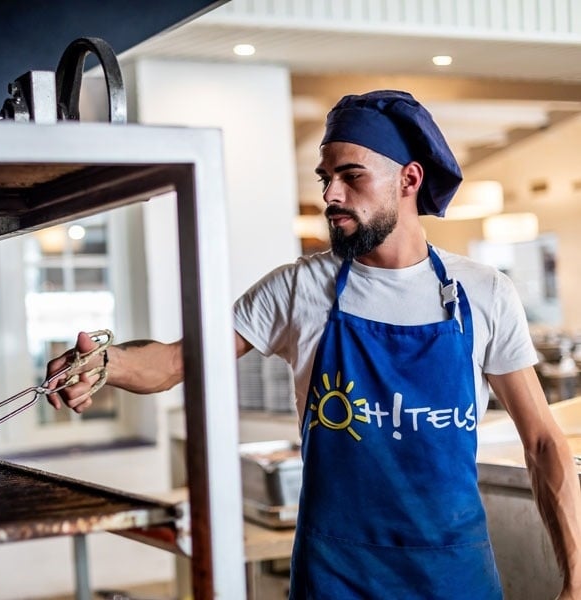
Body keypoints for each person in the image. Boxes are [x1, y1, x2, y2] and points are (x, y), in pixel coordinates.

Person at [45, 90, 581, 599]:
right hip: (335, 577)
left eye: (351, 177)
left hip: (453, 574)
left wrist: (576, 581)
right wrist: (103, 363)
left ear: (409, 179)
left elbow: (542, 443)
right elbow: (169, 363)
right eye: (326, 178)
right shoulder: (298, 288)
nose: (330, 195)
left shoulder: (483, 293)